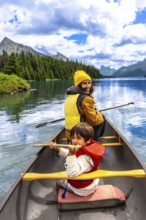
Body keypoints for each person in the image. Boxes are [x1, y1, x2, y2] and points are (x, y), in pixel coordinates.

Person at [49, 122, 106, 197]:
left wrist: (72, 154)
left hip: (82, 190)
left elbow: (72, 173)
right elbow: (68, 153)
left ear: (88, 140)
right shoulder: (84, 147)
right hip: (92, 184)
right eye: (73, 137)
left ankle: (63, 190)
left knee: (57, 178)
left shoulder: (86, 158)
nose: (74, 141)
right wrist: (58, 148)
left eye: (78, 138)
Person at [64, 70, 105, 141]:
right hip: (79, 136)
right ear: (79, 85)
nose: (88, 86)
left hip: (70, 134)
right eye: (84, 83)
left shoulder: (71, 96)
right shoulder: (86, 99)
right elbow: (94, 121)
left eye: (89, 83)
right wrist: (100, 114)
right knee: (101, 118)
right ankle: (95, 140)